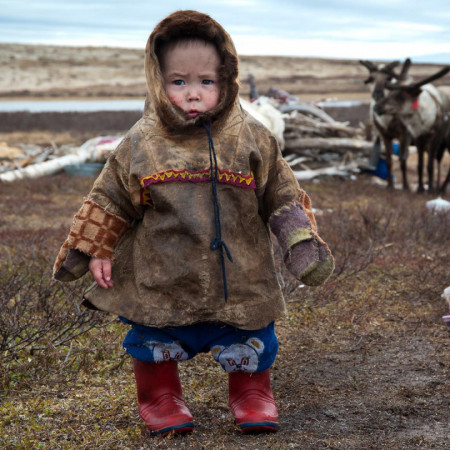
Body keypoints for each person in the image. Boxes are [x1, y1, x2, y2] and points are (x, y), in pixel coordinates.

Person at [53, 10, 334, 437]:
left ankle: (251, 392)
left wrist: (299, 242)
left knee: (252, 334)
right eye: (178, 81)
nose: (193, 93)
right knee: (152, 338)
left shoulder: (252, 137)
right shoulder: (141, 141)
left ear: (227, 79)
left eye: (207, 81)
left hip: (240, 272)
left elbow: (282, 194)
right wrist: (95, 249)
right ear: (157, 81)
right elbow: (109, 197)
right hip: (162, 273)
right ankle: (160, 396)